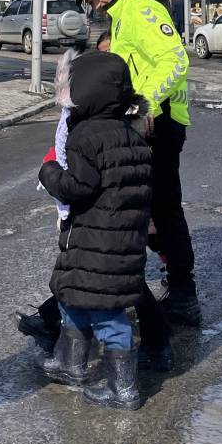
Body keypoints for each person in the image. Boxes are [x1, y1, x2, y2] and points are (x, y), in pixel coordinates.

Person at [73, 0, 200, 326]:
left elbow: (175, 60)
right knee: (151, 210)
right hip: (147, 123)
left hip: (160, 123)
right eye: (87, 0)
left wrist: (146, 104)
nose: (95, 4)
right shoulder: (121, 15)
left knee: (162, 210)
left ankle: (182, 294)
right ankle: (166, 289)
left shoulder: (142, 10)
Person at [38, 51, 154, 410]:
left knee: (107, 313)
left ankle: (125, 389)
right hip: (119, 236)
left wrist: (49, 173)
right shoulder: (131, 132)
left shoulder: (85, 136)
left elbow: (78, 187)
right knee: (74, 296)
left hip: (95, 236)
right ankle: (69, 363)